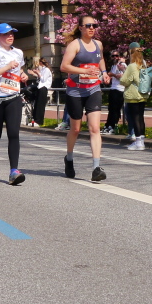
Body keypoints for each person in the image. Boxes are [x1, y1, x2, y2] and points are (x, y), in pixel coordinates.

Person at [60, 15, 111, 181]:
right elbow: (64, 66)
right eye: (88, 25)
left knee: (95, 128)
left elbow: (100, 59)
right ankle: (69, 158)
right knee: (75, 129)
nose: (92, 28)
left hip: (93, 89)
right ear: (81, 27)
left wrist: (104, 73)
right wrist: (84, 71)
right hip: (75, 91)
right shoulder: (75, 45)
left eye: (94, 25)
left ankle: (96, 168)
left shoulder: (98, 44)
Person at [0, 23, 28, 185]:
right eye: (6, 34)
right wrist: (7, 67)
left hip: (13, 97)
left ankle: (14, 171)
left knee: (13, 134)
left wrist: (23, 75)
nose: (10, 36)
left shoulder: (18, 52)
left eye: (12, 34)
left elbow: (18, 70)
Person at [120, 44, 150, 150]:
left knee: (135, 118)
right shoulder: (143, 65)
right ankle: (142, 141)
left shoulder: (131, 66)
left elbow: (123, 80)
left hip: (133, 94)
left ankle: (138, 142)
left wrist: (126, 78)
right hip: (143, 94)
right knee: (141, 117)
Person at [102, 50, 126, 134]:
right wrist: (110, 77)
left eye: (116, 56)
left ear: (119, 56)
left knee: (116, 109)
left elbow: (123, 76)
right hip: (113, 88)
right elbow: (112, 75)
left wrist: (113, 75)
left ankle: (113, 126)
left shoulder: (122, 65)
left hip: (120, 89)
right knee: (111, 109)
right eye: (113, 56)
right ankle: (108, 125)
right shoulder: (114, 66)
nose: (115, 57)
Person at [28, 57, 52, 126]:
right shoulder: (43, 69)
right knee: (37, 104)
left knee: (40, 105)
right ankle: (34, 120)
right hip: (40, 87)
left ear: (41, 63)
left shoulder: (46, 70)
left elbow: (43, 79)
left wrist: (38, 73)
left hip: (44, 87)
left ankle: (39, 121)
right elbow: (40, 78)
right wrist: (35, 73)